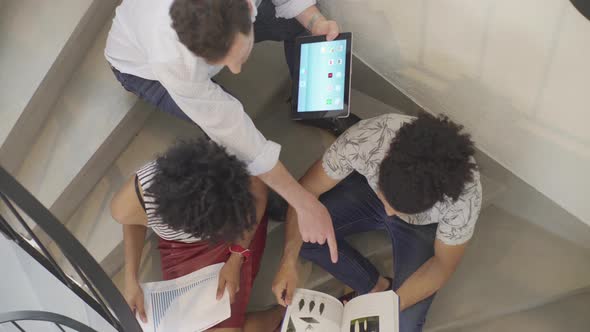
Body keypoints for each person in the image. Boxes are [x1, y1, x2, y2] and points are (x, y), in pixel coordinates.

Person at [105, 0, 346, 263]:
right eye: (222, 61)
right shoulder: (172, 60)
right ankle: (258, 190)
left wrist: (315, 23)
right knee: (221, 137)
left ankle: (311, 103)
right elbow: (235, 133)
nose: (236, 70)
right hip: (141, 68)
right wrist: (302, 201)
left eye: (239, 56)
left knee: (292, 23)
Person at [272, 113, 482, 332]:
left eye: (399, 209)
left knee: (404, 326)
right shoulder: (369, 138)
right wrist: (288, 260)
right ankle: (375, 286)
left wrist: (385, 308)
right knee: (304, 236)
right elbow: (306, 191)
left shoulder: (464, 198)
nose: (389, 213)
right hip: (367, 194)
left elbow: (442, 265)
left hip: (423, 227)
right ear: (382, 163)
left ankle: (382, 295)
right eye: (387, 199)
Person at [110, 139, 284, 331]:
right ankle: (281, 318)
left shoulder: (229, 167)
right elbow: (132, 221)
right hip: (180, 248)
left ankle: (281, 314)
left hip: (239, 236)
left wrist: (236, 257)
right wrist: (130, 279)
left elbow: (258, 197)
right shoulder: (137, 198)